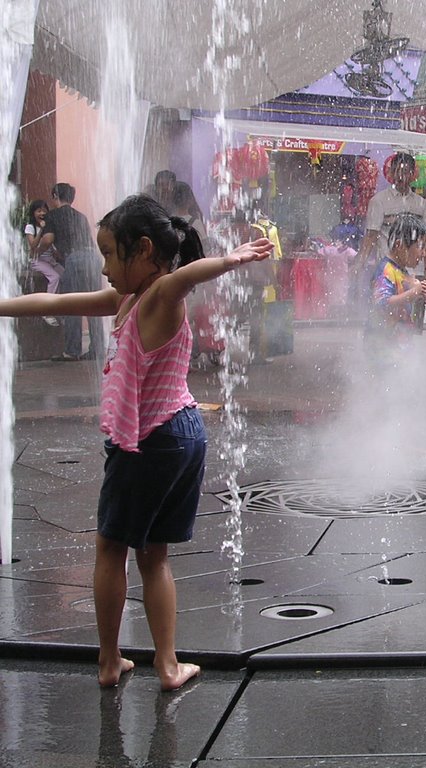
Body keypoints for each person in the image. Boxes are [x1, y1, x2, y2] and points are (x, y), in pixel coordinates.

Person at [0, 195, 274, 689]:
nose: (103, 267)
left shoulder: (159, 296)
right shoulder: (125, 299)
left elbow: (185, 277)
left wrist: (231, 259)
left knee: (110, 549)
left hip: (149, 440)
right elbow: (56, 301)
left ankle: (110, 661)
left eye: (109, 254)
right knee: (154, 554)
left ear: (144, 250)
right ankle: (166, 665)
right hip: (181, 433)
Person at [41, 182, 107, 361]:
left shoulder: (53, 216)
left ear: (55, 196)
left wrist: (36, 251)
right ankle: (97, 349)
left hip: (75, 259)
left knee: (72, 304)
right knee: (94, 304)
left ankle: (72, 350)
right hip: (93, 259)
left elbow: (47, 239)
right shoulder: (81, 216)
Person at [356, 152, 426, 308]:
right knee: (387, 312)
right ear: (390, 173)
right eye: (397, 171)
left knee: (412, 317)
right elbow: (371, 236)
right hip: (388, 268)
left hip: (414, 270)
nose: (401, 176)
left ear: (413, 175)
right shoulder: (379, 201)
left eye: (405, 171)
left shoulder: (421, 204)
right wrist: (360, 263)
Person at [366, 212, 426, 345]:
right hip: (382, 344)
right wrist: (414, 292)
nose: (424, 253)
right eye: (420, 247)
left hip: (398, 342)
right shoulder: (386, 271)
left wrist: (419, 292)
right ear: (399, 245)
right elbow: (382, 303)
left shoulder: (401, 269)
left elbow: (404, 292)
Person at [22, 199, 63, 326]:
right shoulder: (30, 227)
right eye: (39, 211)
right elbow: (33, 245)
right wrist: (41, 230)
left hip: (50, 260)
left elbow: (51, 243)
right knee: (54, 277)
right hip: (37, 260)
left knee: (66, 275)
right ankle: (47, 310)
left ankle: (61, 308)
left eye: (44, 210)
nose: (42, 213)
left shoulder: (49, 224)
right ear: (33, 213)